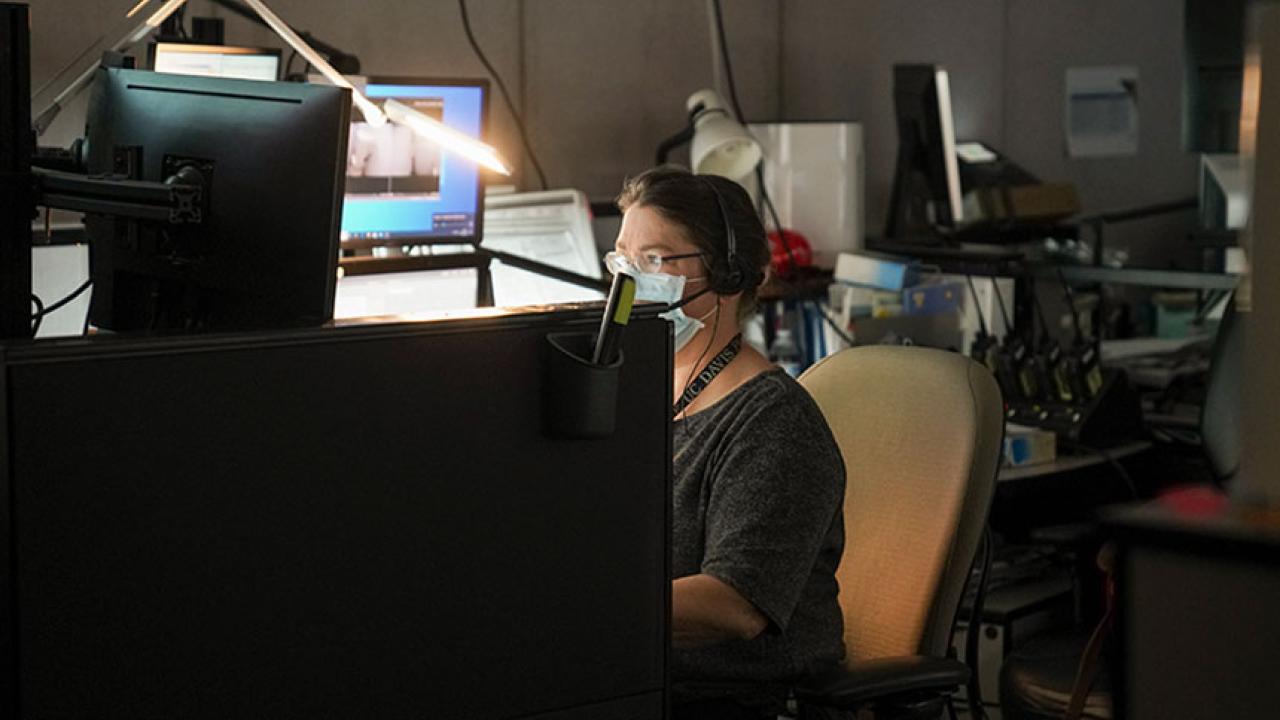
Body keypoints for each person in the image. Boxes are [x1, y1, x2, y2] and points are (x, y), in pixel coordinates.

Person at [610, 166, 847, 719]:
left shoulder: (775, 423)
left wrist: (585, 609)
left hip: (738, 702)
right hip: (640, 683)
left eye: (654, 260)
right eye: (621, 258)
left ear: (730, 273)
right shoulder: (638, 390)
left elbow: (734, 605)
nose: (627, 279)